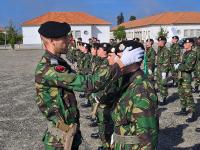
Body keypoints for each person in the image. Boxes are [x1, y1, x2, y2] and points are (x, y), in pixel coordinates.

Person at [35, 21, 144, 150]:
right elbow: (89, 83)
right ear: (52, 40)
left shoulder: (57, 61)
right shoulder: (49, 68)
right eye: (64, 37)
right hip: (59, 139)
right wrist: (119, 64)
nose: (69, 41)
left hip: (66, 133)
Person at [110, 40, 158, 150]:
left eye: (119, 56)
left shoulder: (141, 87)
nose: (116, 60)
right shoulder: (125, 80)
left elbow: (148, 135)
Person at [174, 38, 197, 122]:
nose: (184, 44)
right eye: (184, 43)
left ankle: (193, 113)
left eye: (186, 43)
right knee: (181, 94)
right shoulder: (184, 53)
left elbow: (188, 67)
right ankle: (183, 110)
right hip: (181, 77)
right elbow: (182, 63)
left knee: (188, 95)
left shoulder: (193, 54)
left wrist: (178, 66)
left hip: (186, 78)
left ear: (191, 44)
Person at [156, 36, 170, 105]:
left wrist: (164, 72)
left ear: (164, 42)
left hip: (163, 71)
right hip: (159, 69)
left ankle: (164, 98)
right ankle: (161, 97)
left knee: (163, 84)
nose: (158, 42)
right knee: (159, 83)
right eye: (158, 41)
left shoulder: (166, 51)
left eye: (160, 41)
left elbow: (166, 62)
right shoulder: (159, 49)